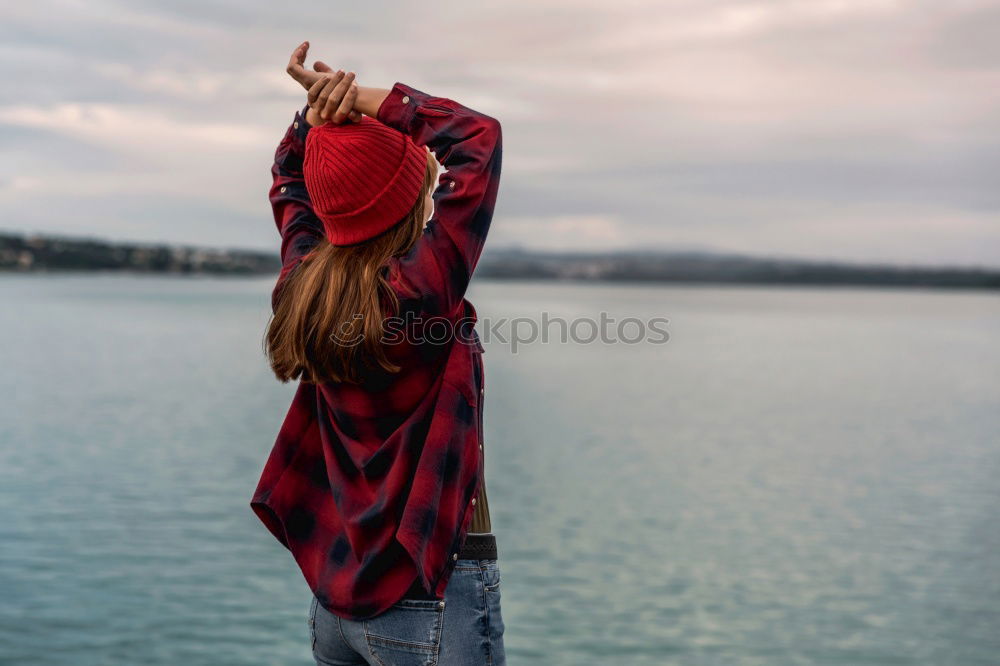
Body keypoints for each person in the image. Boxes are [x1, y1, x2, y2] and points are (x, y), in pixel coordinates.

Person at [250, 42, 506, 665]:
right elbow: (479, 138)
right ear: (409, 197)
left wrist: (312, 117)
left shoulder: (303, 286)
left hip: (336, 603)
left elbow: (289, 183)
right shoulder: (421, 290)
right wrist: (365, 102)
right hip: (429, 592)